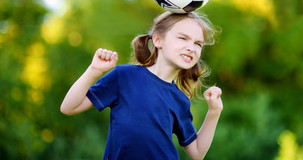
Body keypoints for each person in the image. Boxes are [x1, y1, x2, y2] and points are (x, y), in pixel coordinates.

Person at [60, 11, 223, 160]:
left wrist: (214, 112)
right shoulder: (123, 76)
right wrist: (94, 71)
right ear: (158, 40)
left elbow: (197, 153)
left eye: (198, 44)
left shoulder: (180, 100)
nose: (191, 48)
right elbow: (68, 107)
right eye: (183, 38)